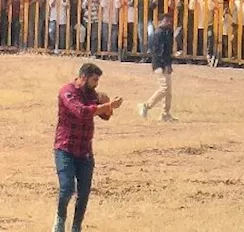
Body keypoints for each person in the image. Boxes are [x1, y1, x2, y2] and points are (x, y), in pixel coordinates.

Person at [53, 62, 123, 232]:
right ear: (83, 77)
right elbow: (81, 112)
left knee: (83, 193)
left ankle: (76, 227)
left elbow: (105, 117)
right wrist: (106, 106)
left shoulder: (91, 94)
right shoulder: (67, 92)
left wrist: (107, 106)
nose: (96, 84)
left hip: (84, 151)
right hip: (66, 148)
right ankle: (60, 219)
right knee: (67, 188)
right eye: (94, 80)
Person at [138, 12, 175, 122]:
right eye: (166, 20)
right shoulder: (158, 33)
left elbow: (168, 51)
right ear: (160, 21)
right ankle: (146, 105)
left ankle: (165, 114)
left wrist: (169, 64)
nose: (168, 23)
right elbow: (158, 52)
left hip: (166, 63)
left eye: (170, 21)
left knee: (168, 91)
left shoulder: (168, 32)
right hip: (159, 63)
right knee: (164, 88)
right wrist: (165, 64)